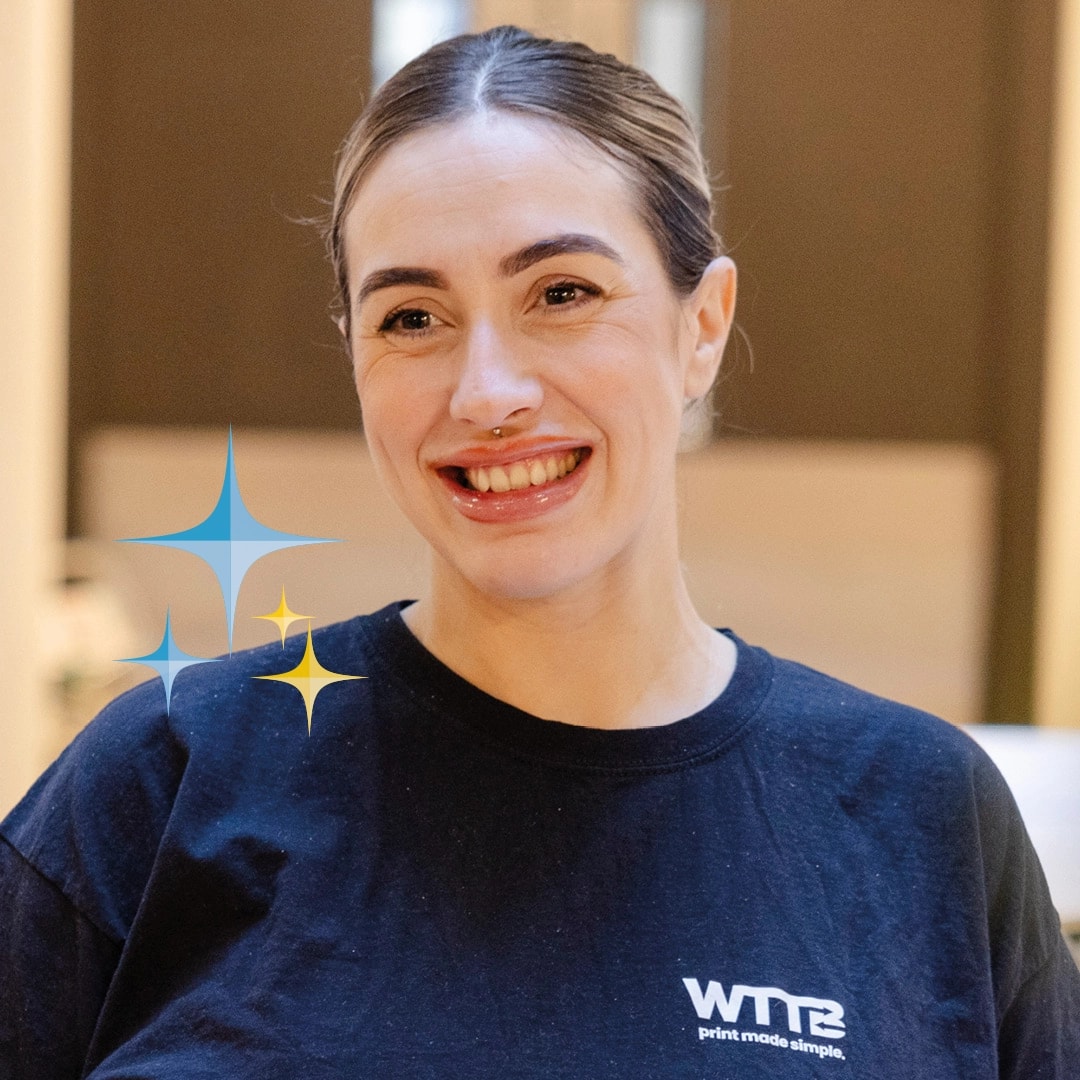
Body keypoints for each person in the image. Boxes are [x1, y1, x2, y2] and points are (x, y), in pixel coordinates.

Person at [2, 24, 1078, 1078]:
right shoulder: (163, 778)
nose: (487, 393)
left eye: (563, 294)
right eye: (412, 317)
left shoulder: (918, 813)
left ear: (703, 325)